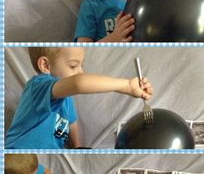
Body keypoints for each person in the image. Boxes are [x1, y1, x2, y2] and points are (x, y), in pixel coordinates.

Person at [6, 47, 153, 149]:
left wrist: (77, 146)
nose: (81, 72)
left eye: (81, 65)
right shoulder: (38, 85)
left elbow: (71, 122)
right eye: (73, 66)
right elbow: (78, 83)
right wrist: (126, 85)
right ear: (45, 65)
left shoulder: (65, 96)